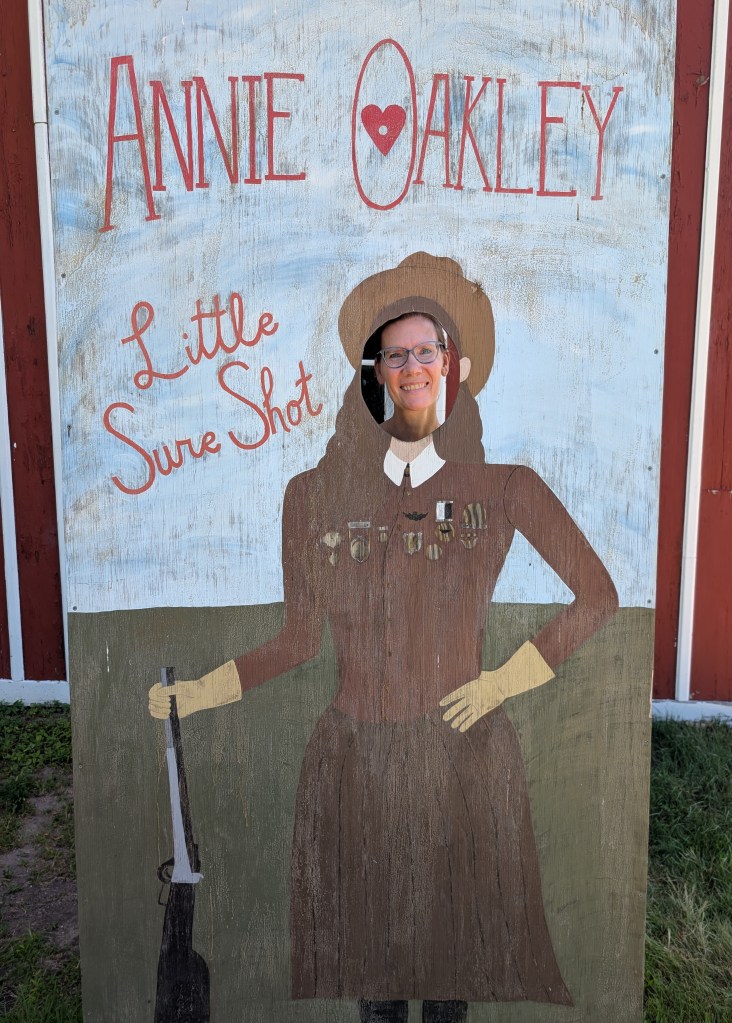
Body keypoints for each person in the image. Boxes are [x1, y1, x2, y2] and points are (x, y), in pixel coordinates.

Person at [149, 253, 619, 1023]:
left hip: (462, 761)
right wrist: (198, 693)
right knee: (373, 967)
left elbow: (596, 594)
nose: (410, 367)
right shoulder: (312, 495)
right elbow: (298, 639)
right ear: (371, 374)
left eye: (426, 350)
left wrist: (503, 680)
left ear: (455, 367)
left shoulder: (503, 487)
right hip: (353, 762)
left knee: (449, 965)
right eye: (392, 355)